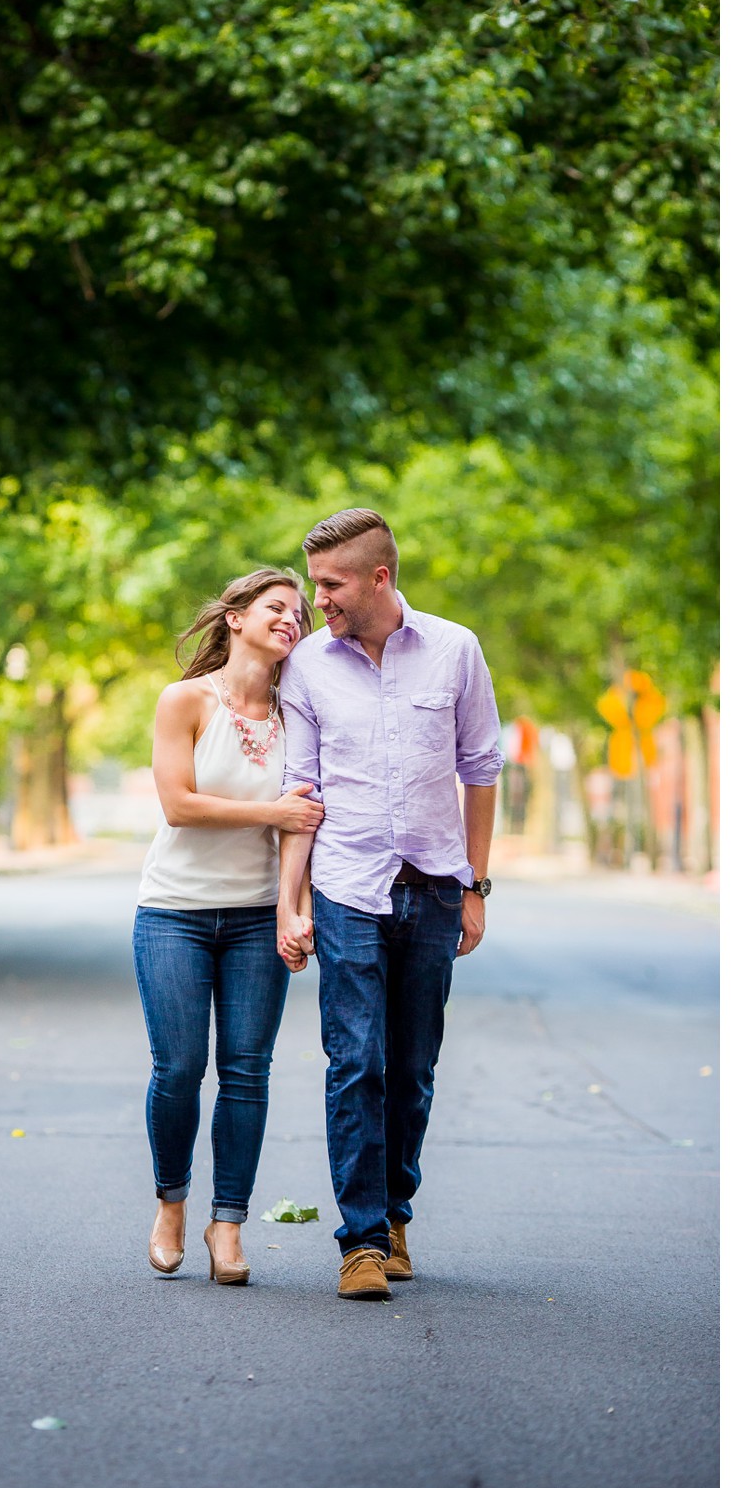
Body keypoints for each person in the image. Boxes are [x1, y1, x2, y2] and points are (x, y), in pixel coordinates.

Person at [276, 509, 503, 1300]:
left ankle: (395, 1209)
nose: (318, 598)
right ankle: (361, 1241)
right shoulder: (306, 665)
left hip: (435, 886)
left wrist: (475, 884)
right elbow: (297, 791)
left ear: (378, 578)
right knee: (354, 1063)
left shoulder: (454, 649)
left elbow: (480, 767)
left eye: (331, 583)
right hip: (346, 888)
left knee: (411, 1068)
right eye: (314, 583)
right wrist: (290, 903)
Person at [133, 568, 322, 1286]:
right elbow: (178, 804)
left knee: (247, 1072)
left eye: (299, 614)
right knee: (178, 1069)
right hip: (173, 912)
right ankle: (172, 1204)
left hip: (252, 921)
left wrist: (288, 910)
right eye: (276, 607)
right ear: (235, 618)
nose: (291, 620)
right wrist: (270, 812)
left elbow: (301, 828)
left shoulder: (295, 718)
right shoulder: (184, 700)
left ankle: (228, 1224)